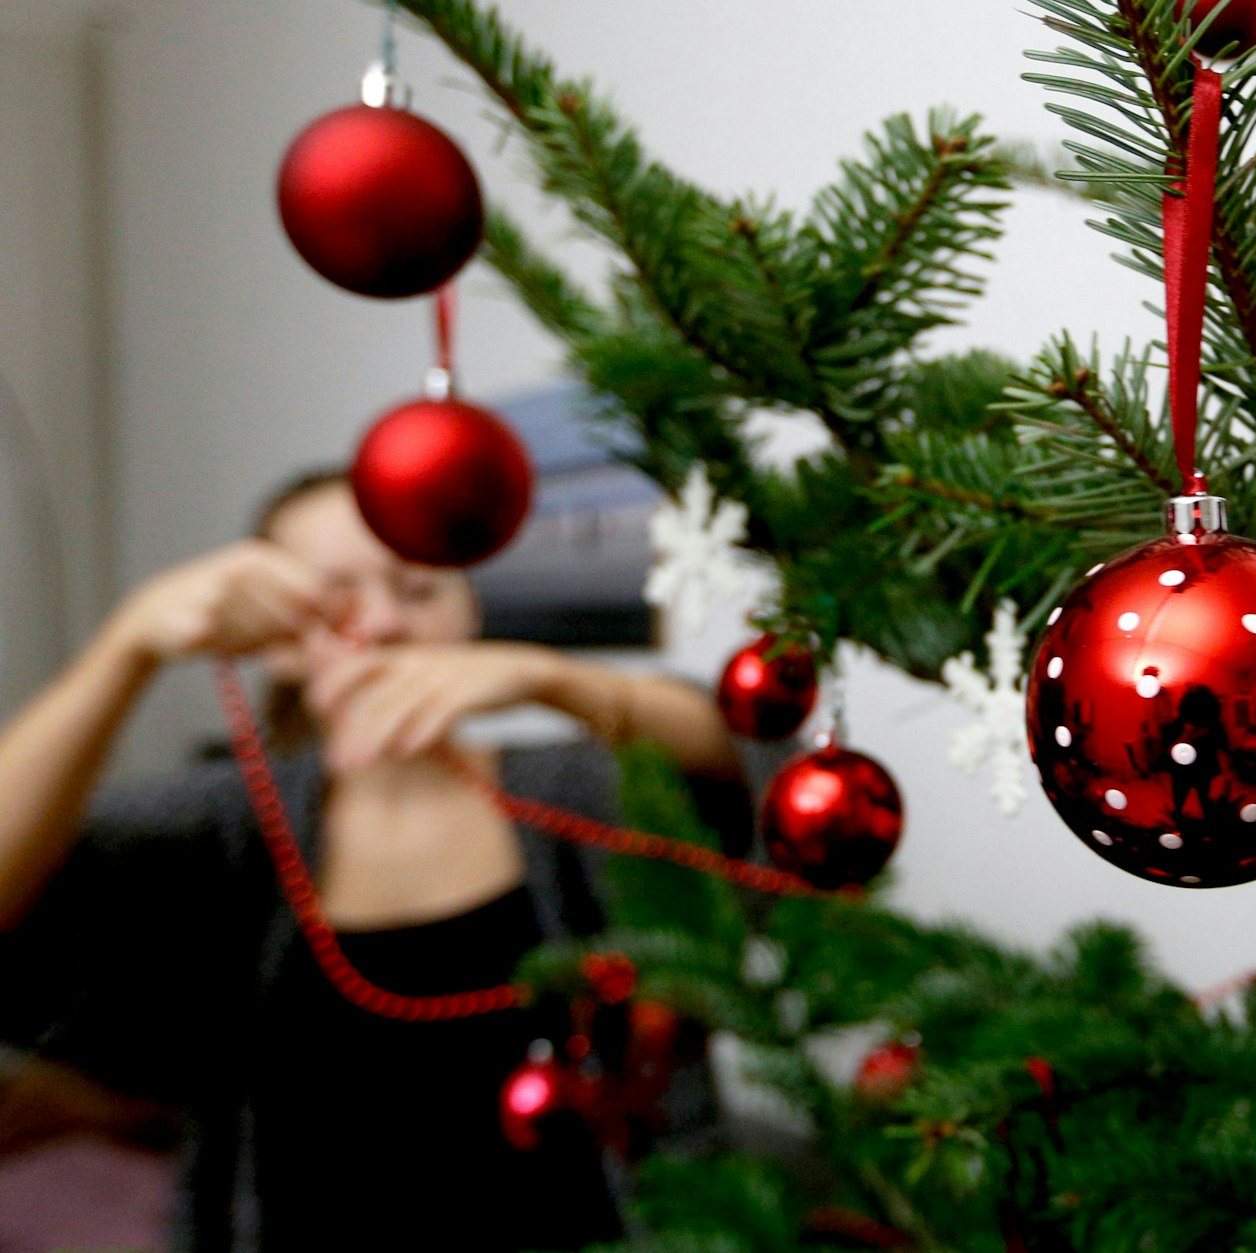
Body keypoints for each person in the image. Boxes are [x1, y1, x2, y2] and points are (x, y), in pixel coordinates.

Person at [0, 467, 743, 1252]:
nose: (385, 621)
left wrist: (557, 680)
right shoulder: (222, 831)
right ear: (275, 639)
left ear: (468, 607)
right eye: (337, 596)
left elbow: (759, 763)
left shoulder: (574, 795)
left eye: (419, 588)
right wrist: (129, 645)